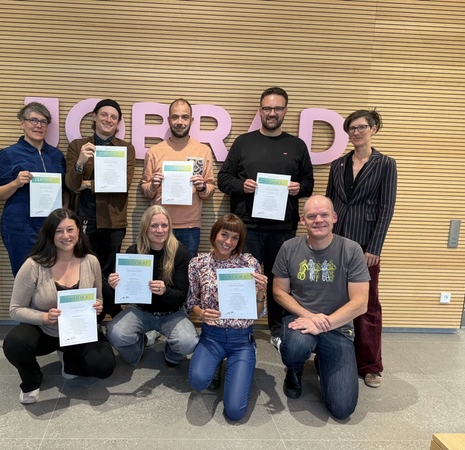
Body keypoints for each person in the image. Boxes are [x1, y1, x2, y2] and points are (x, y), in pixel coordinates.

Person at [217, 86, 314, 350]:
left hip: (282, 229)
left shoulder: (297, 145)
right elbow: (222, 179)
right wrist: (241, 186)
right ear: (260, 110)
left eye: (277, 108)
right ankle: (239, 325)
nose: (272, 113)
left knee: (279, 281)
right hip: (246, 227)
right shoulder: (243, 142)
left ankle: (276, 328)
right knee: (243, 278)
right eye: (267, 108)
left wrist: (298, 188)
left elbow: (309, 183)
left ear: (285, 111)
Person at [2, 208, 116, 404]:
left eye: (70, 230)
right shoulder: (33, 265)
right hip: (44, 331)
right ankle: (32, 380)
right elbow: (15, 309)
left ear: (79, 231)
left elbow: (99, 298)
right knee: (14, 344)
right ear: (50, 234)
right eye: (59, 231)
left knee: (105, 366)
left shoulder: (91, 262)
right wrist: (44, 317)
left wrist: (98, 306)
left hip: (78, 332)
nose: (66, 236)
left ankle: (70, 362)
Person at [272, 195, 370, 419]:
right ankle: (294, 368)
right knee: (295, 347)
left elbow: (360, 303)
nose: (318, 220)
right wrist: (310, 316)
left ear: (334, 217)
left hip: (337, 326)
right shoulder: (289, 248)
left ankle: (321, 358)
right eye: (311, 216)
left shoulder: (352, 250)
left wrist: (324, 325)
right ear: (303, 220)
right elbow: (279, 291)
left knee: (342, 409)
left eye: (324, 214)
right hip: (300, 319)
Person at [325, 109, 397, 388]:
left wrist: (375, 246)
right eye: (352, 128)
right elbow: (330, 206)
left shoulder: (386, 164)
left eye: (362, 127)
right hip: (338, 242)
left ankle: (370, 365)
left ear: (373, 129)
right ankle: (333, 356)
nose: (356, 132)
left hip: (366, 245)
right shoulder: (338, 164)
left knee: (367, 306)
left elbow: (386, 207)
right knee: (334, 299)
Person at [187, 213, 268, 422]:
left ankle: (239, 366)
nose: (228, 242)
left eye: (234, 238)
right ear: (215, 234)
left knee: (234, 411)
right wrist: (201, 313)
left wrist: (260, 293)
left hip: (241, 339)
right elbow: (191, 302)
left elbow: (257, 312)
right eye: (224, 234)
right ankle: (214, 366)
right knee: (197, 381)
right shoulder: (198, 263)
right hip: (211, 336)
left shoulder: (249, 263)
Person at [65, 98, 136, 323]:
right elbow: (70, 184)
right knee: (87, 271)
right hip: (85, 218)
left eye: (114, 117)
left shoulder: (126, 148)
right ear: (94, 117)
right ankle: (104, 317)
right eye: (104, 115)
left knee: (109, 271)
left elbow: (123, 184)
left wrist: (87, 184)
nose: (108, 119)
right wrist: (80, 163)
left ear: (118, 123)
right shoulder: (78, 146)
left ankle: (109, 314)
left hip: (114, 220)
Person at [106, 205, 198, 367]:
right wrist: (116, 286)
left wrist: (165, 291)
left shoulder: (181, 253)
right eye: (154, 225)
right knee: (115, 334)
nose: (159, 230)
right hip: (141, 311)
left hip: (172, 313)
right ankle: (139, 347)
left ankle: (172, 354)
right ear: (145, 228)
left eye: (164, 225)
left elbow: (182, 297)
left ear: (170, 227)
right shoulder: (133, 252)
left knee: (188, 342)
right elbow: (123, 296)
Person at [0, 102, 68, 276]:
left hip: (51, 227)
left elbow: (64, 190)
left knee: (52, 277)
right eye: (33, 120)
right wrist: (16, 183)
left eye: (43, 122)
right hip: (20, 227)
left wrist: (64, 211)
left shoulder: (56, 155)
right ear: (22, 123)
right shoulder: (9, 154)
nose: (38, 125)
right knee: (25, 277)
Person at [140, 98, 215, 255]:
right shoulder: (155, 151)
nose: (179, 122)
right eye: (175, 117)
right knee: (158, 274)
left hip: (190, 227)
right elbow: (145, 190)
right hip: (159, 226)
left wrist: (202, 187)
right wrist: (153, 185)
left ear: (191, 120)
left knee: (186, 275)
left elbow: (210, 190)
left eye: (185, 117)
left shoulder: (203, 151)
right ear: (168, 120)